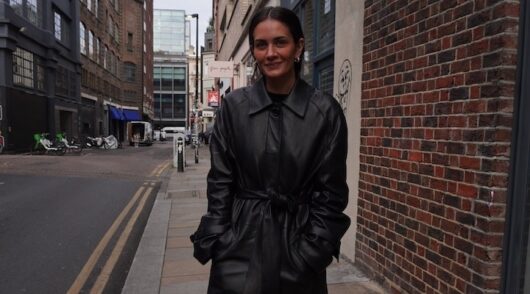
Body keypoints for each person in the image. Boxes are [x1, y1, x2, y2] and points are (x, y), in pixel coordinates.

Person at [190, 6, 350, 294]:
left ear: (298, 46)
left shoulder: (325, 112)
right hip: (239, 247)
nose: (270, 53)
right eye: (261, 45)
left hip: (299, 253)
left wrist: (311, 252)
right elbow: (220, 183)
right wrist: (221, 240)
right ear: (253, 51)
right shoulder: (235, 108)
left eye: (280, 42)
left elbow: (331, 194)